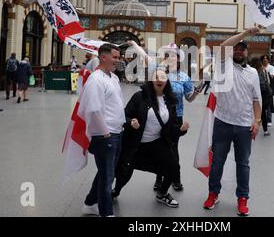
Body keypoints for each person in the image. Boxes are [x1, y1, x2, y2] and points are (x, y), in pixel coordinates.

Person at [202, 26, 262, 217]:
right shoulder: (223, 64)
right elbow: (222, 47)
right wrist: (244, 34)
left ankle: (242, 198)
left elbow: (256, 100)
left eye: (242, 48)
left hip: (244, 125)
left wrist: (257, 121)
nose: (238, 50)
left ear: (246, 52)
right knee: (218, 160)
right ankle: (213, 194)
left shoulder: (253, 73)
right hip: (223, 122)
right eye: (236, 48)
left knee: (243, 163)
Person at [126, 40, 200, 192]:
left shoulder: (184, 77)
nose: (169, 57)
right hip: (156, 117)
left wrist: (196, 94)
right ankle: (159, 178)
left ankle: (175, 178)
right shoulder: (157, 70)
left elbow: (189, 98)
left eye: (173, 55)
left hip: (175, 118)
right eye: (167, 55)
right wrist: (134, 44)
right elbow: (145, 56)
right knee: (159, 148)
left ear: (178, 59)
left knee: (172, 148)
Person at [112, 69, 190, 207]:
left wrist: (181, 130)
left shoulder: (170, 101)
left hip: (155, 143)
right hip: (135, 144)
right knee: (124, 173)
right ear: (151, 80)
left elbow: (171, 128)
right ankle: (115, 191)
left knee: (173, 167)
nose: (159, 80)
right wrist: (131, 122)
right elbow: (123, 115)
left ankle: (162, 193)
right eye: (156, 77)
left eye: (163, 77)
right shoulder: (139, 97)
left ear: (167, 81)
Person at [81, 43, 125, 217]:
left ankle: (90, 203)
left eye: (118, 57)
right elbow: (93, 108)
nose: (118, 60)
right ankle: (106, 213)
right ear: (103, 57)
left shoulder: (112, 78)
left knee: (106, 172)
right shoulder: (96, 79)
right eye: (115, 57)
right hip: (106, 136)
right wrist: (105, 132)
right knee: (107, 177)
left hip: (117, 132)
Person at [250, 57, 272, 136]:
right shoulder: (261, 71)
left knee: (253, 112)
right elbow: (263, 85)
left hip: (252, 95)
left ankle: (251, 126)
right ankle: (265, 130)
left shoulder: (250, 72)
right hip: (262, 96)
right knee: (262, 113)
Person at [261, 55, 274, 127]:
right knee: (261, 104)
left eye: (266, 58)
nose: (265, 60)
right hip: (261, 88)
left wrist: (265, 72)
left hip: (268, 89)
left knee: (269, 105)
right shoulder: (259, 67)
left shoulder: (271, 67)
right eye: (263, 58)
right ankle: (261, 119)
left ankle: (269, 120)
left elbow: (272, 76)